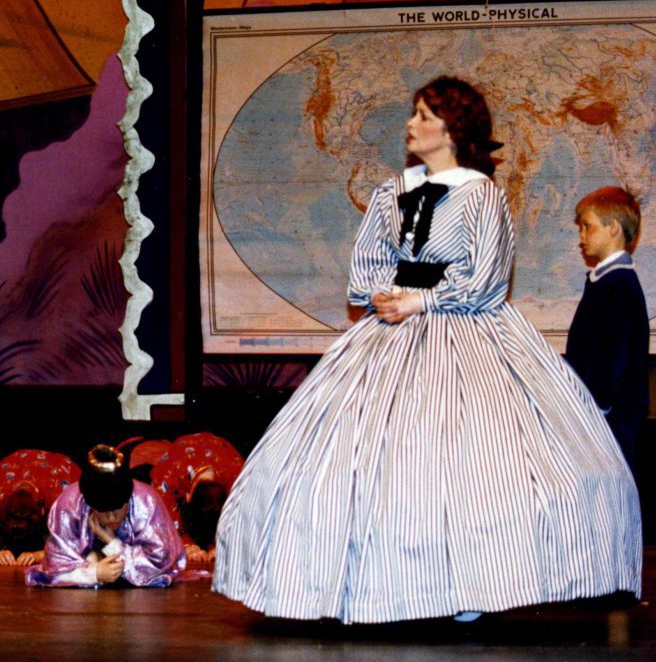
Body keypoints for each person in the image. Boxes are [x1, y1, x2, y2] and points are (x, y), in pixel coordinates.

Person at [214, 76, 642, 623]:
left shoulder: (481, 194)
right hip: (390, 333)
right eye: (413, 114)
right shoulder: (394, 190)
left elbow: (486, 278)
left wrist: (423, 302)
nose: (411, 125)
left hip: (464, 330)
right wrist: (381, 294)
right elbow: (368, 259)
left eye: (423, 115)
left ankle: (467, 585)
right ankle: (352, 585)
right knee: (355, 463)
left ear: (453, 128)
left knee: (468, 463)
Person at [566, 186, 650, 475]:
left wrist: (591, 415)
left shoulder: (619, 286)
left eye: (588, 227)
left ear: (613, 228)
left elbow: (611, 363)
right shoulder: (605, 281)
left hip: (610, 425)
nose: (582, 236)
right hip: (603, 421)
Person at [25, 445, 184, 588]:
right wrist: (95, 573)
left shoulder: (147, 501)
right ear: (91, 506)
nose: (112, 518)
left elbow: (161, 560)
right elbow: (55, 568)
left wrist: (112, 542)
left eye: (118, 508)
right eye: (103, 511)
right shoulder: (68, 505)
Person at [0, 449, 79, 566]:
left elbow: (79, 545)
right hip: (10, 469)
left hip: (60, 471)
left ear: (43, 511)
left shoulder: (63, 492)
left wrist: (40, 555)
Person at [149, 432, 244, 562]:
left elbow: (244, 520)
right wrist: (186, 546)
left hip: (223, 452)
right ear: (187, 497)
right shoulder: (166, 477)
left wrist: (222, 545)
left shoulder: (239, 479)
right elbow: (162, 524)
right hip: (177, 461)